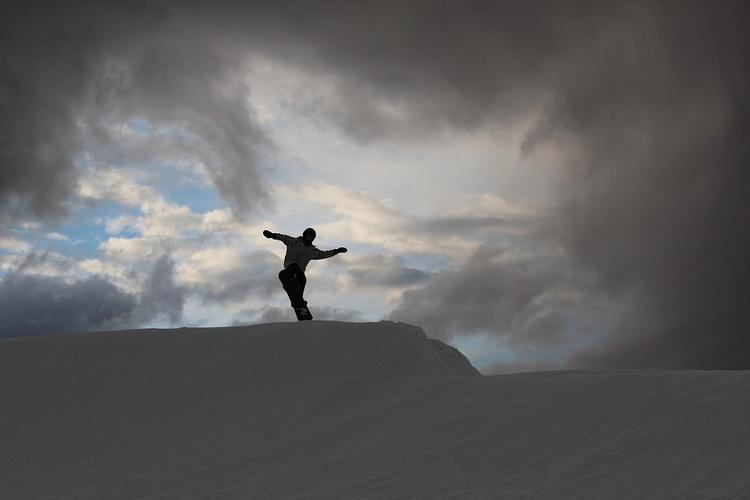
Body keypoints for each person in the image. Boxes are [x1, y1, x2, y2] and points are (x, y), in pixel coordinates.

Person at [263, 227, 347, 308]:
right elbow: (283, 237)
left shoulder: (313, 251)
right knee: (295, 268)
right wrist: (271, 235)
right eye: (308, 236)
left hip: (300, 271)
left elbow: (323, 254)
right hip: (290, 265)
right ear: (304, 235)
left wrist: (336, 251)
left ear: (313, 238)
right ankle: (290, 281)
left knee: (302, 279)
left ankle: (298, 299)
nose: (309, 238)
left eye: (311, 237)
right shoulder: (294, 241)